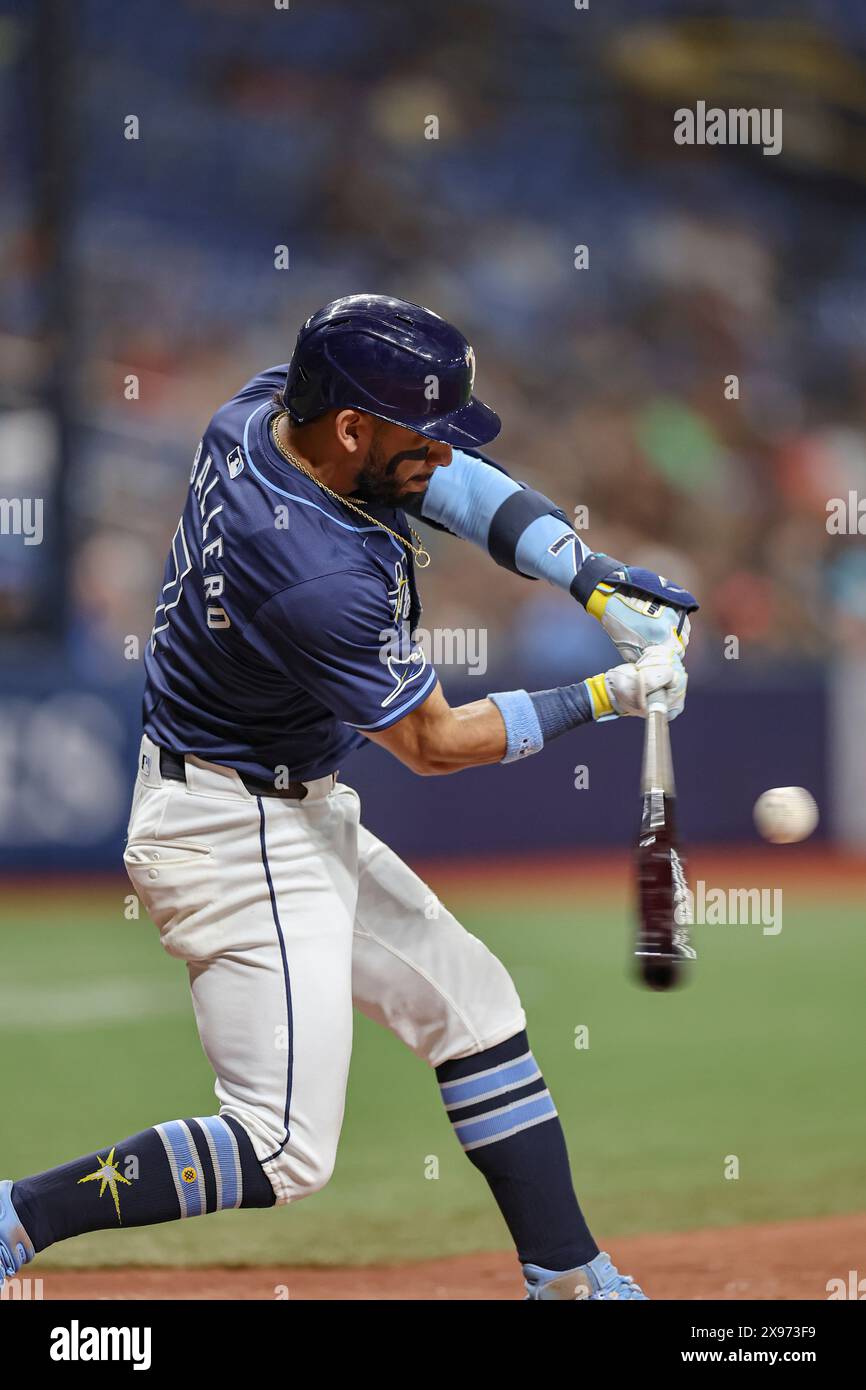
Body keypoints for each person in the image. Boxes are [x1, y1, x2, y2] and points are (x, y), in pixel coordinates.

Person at [1, 295, 695, 1301]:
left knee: (473, 1005)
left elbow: (454, 485)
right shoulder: (310, 573)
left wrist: (590, 580)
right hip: (232, 832)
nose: (438, 455)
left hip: (279, 803)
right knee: (281, 1148)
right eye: (420, 435)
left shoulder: (263, 412)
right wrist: (607, 693)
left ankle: (567, 1274)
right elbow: (432, 742)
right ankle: (20, 1214)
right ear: (350, 429)